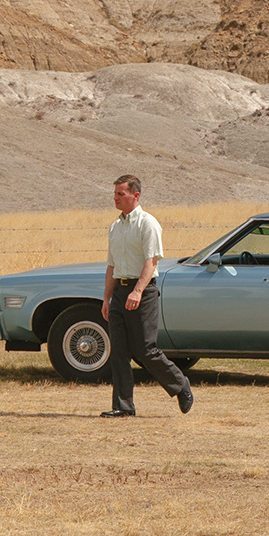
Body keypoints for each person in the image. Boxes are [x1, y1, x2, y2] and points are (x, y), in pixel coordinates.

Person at [99, 173, 194, 418]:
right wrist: (107, 298)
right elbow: (112, 266)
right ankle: (123, 406)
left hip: (143, 291)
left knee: (145, 349)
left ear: (135, 195)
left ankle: (180, 384)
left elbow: (151, 261)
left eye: (121, 194)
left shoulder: (147, 223)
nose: (116, 198)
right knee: (118, 350)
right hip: (119, 292)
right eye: (115, 194)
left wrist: (138, 291)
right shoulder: (115, 227)